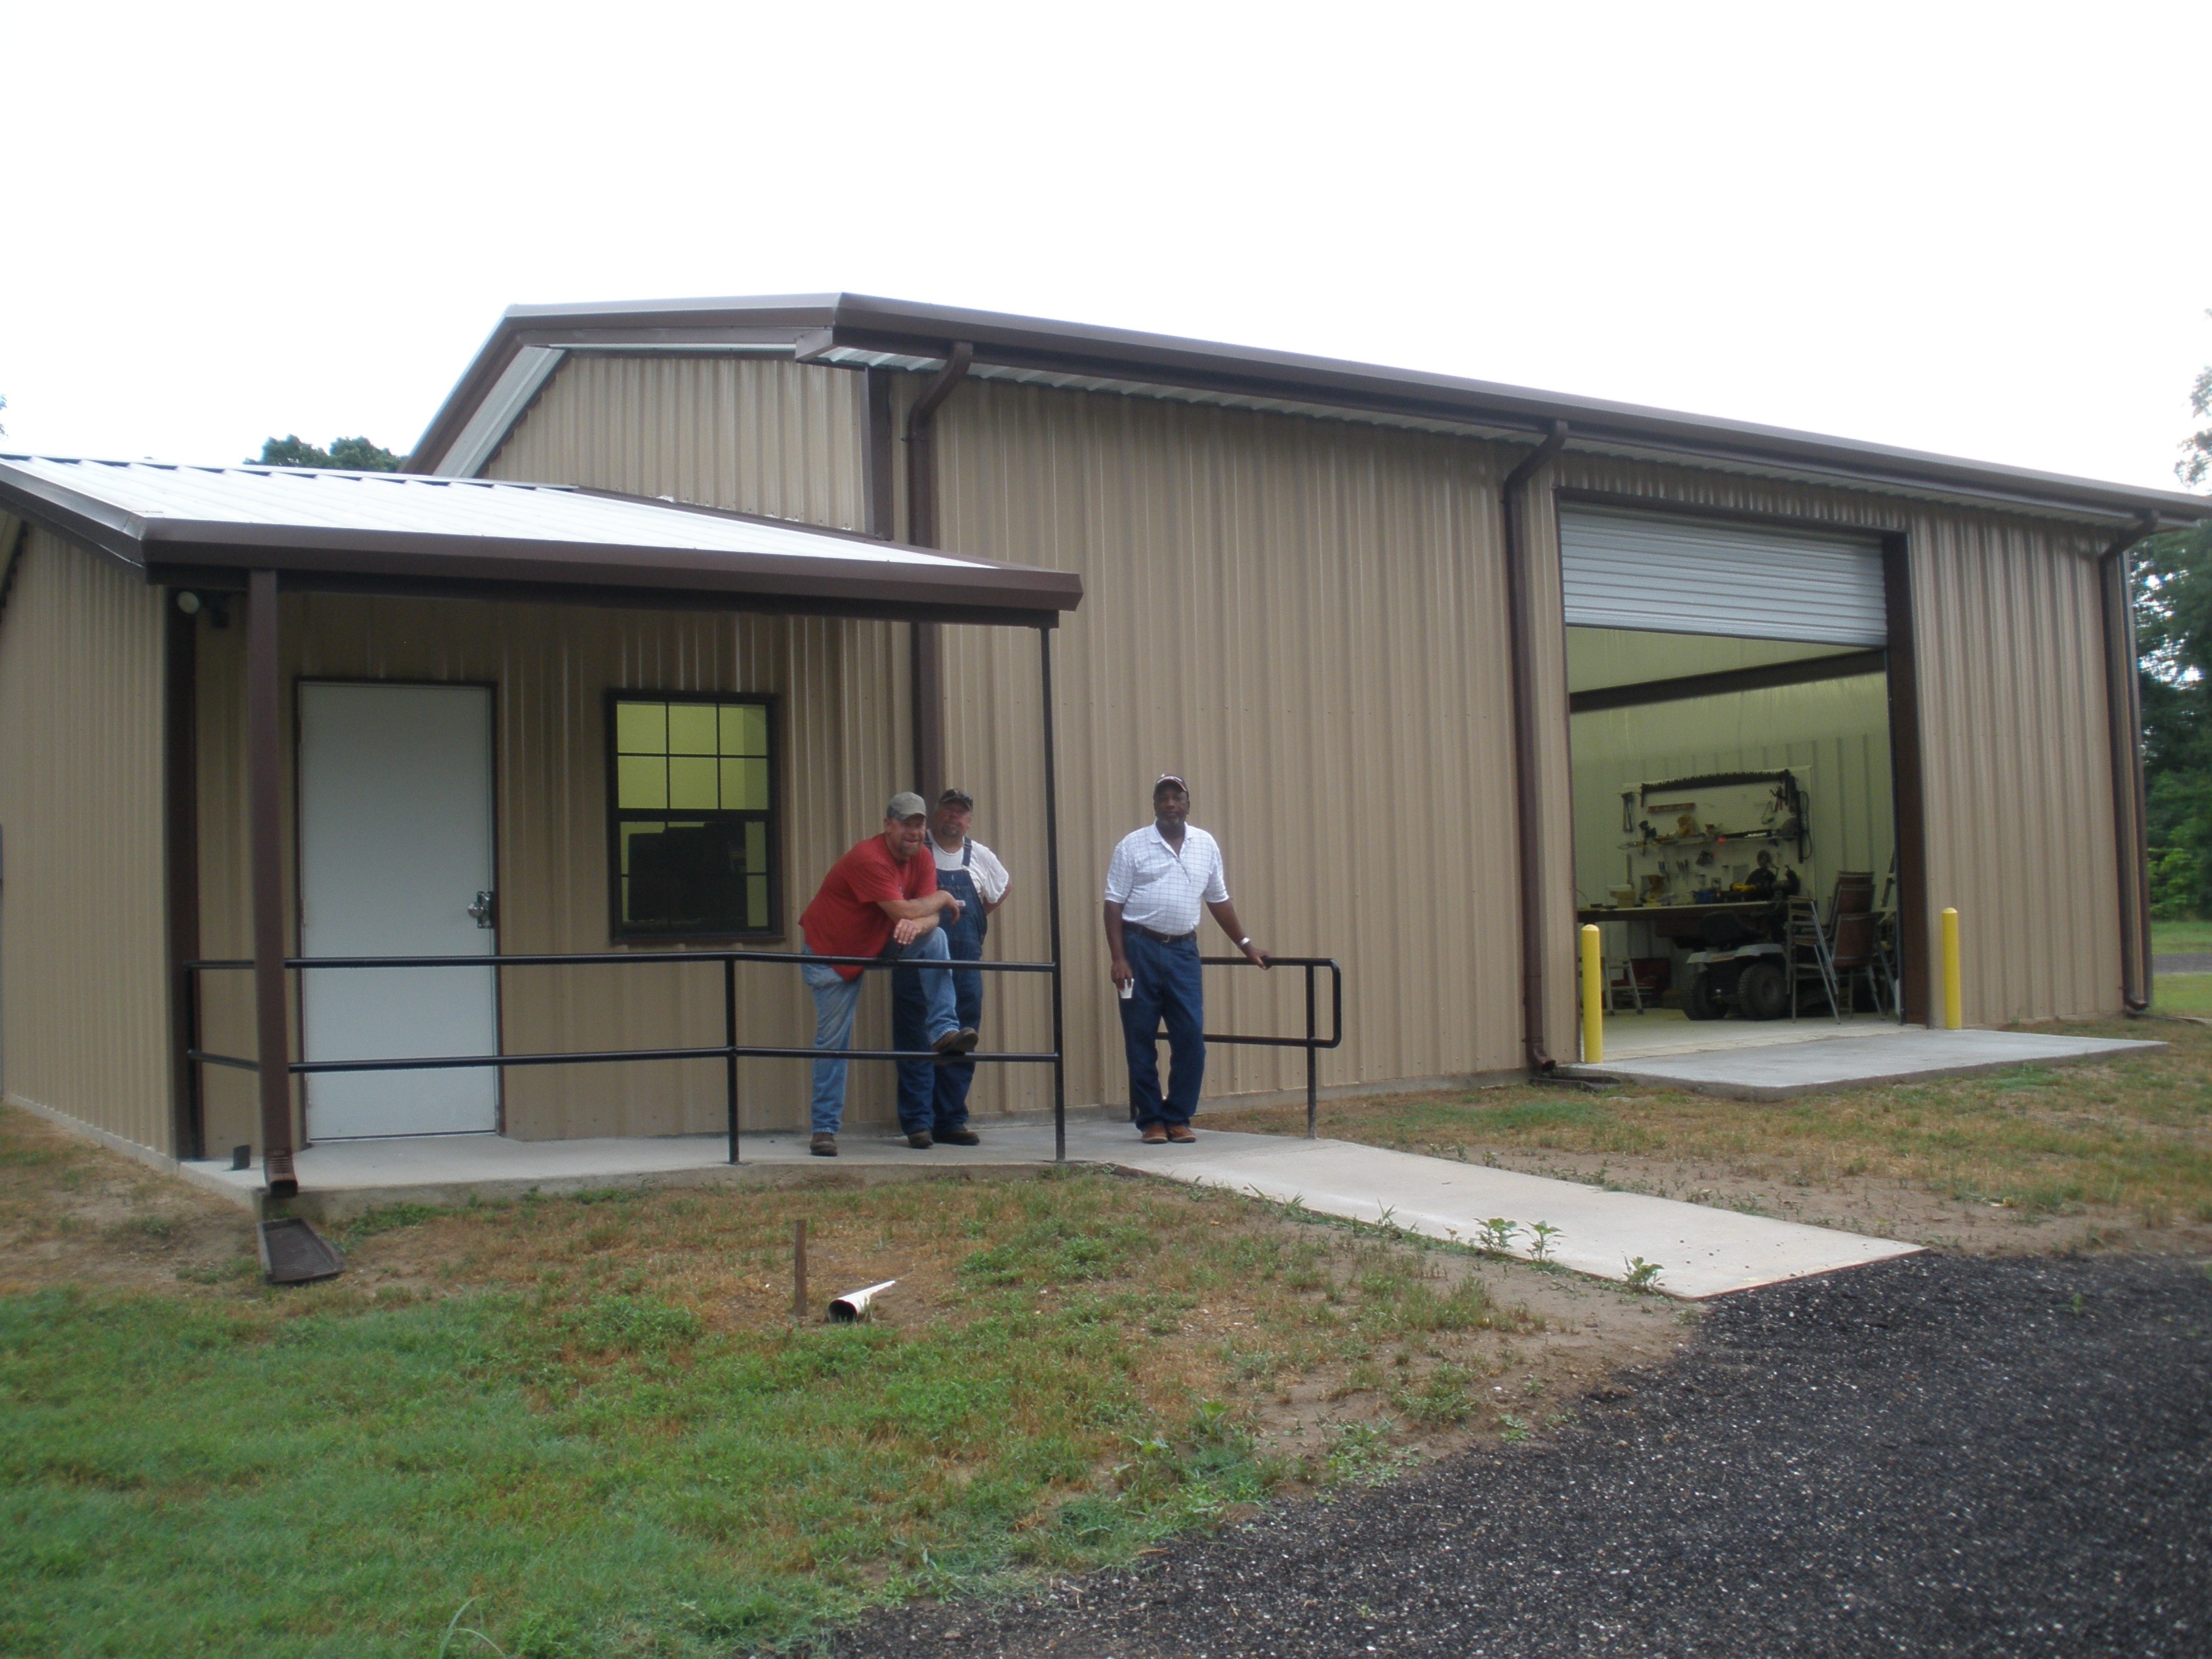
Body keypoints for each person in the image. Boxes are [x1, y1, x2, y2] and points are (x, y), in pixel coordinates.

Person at [798, 792, 979, 1156]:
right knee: (834, 1040)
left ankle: (944, 1030)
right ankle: (824, 1129)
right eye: (906, 824)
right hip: (832, 950)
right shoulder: (869, 858)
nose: (914, 832)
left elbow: (926, 917)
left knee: (936, 937)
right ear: (888, 825)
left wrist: (923, 917)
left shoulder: (923, 857)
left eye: (919, 824)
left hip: (879, 938)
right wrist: (937, 901)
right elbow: (901, 909)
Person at [1103, 775, 1267, 1144]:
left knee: (1190, 1037)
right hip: (1139, 951)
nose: (1171, 803)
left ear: (1188, 805)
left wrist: (1246, 945)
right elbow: (1113, 904)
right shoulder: (1132, 845)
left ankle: (1178, 1116)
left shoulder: (1205, 845)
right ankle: (1151, 1122)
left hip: (1183, 953)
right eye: (1163, 798)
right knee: (1140, 1038)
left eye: (1177, 797)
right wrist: (1119, 957)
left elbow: (1218, 900)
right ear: (1155, 805)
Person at [891, 790, 1012, 1149]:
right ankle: (918, 1123)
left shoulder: (981, 857)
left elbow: (1001, 890)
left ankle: (951, 1120)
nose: (953, 818)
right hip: (916, 963)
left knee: (962, 1040)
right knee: (914, 1039)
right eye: (947, 811)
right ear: (934, 815)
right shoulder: (917, 853)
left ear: (969, 821)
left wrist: (971, 922)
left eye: (961, 813)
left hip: (964, 964)